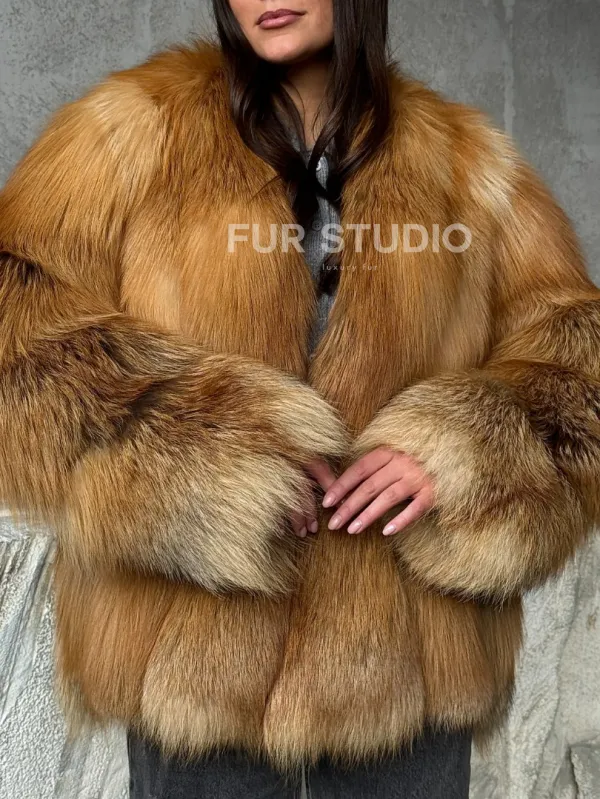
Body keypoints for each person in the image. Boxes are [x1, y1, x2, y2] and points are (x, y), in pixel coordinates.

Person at [0, 1, 598, 797]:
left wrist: (466, 451)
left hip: (406, 668)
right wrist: (211, 459)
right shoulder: (127, 135)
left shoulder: (468, 165)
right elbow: (18, 336)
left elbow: (578, 365)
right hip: (194, 659)